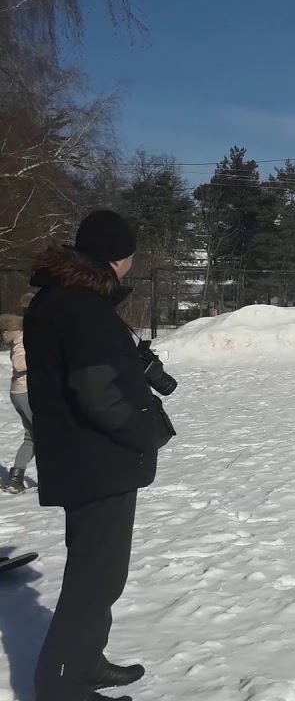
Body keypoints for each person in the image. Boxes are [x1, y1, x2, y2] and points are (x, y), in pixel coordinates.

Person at [26, 210, 173, 700]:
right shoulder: (82, 307)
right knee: (94, 577)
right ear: (119, 257)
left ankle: (85, 660)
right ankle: (61, 685)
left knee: (101, 573)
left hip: (84, 458)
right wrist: (144, 431)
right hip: (95, 460)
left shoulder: (65, 298)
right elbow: (99, 394)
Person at [1, 293, 33, 493]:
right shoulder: (22, 336)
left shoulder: (20, 334)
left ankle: (16, 477)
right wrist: (40, 357)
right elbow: (20, 364)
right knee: (42, 435)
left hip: (19, 391)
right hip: (25, 390)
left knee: (32, 436)